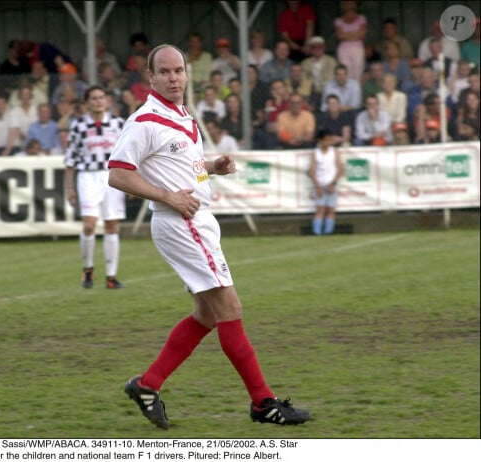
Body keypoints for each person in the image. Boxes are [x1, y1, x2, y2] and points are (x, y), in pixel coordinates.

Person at [107, 43, 310, 429]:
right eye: (164, 72)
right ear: (149, 77)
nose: (173, 78)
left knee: (206, 314)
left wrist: (211, 166)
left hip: (193, 220)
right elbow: (118, 173)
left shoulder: (182, 115)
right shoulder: (145, 120)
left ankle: (148, 385)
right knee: (230, 310)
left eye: (178, 71)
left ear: (187, 74)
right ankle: (262, 403)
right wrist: (168, 196)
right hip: (181, 222)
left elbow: (181, 167)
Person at [64, 85, 126, 290]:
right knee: (89, 224)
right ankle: (88, 268)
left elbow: (128, 153)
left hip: (112, 176)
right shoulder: (79, 125)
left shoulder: (118, 123)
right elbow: (70, 158)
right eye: (94, 98)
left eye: (102, 97)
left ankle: (111, 276)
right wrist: (70, 188)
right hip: (88, 177)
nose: (99, 101)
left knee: (111, 225)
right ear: (87, 103)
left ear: (107, 100)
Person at [309, 128, 344, 235]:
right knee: (320, 209)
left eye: (330, 140)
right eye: (326, 140)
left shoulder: (334, 152)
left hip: (331, 184)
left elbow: (340, 168)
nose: (328, 142)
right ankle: (317, 231)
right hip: (320, 183)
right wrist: (317, 186)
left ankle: (329, 231)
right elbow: (312, 171)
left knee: (330, 209)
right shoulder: (315, 153)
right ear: (320, 140)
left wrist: (333, 183)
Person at [301, 36, 338, 112]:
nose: (317, 49)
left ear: (324, 48)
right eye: (314, 47)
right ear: (311, 49)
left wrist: (320, 89)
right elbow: (304, 80)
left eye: (320, 47)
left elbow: (332, 78)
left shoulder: (331, 61)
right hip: (311, 93)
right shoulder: (305, 63)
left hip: (326, 91)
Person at [333, 0, 366, 83]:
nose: (349, 5)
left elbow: (362, 35)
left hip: (357, 49)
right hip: (343, 49)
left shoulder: (361, 18)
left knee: (358, 72)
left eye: (351, 2)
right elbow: (340, 36)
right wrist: (355, 34)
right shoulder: (338, 20)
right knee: (345, 72)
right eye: (347, 2)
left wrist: (346, 35)